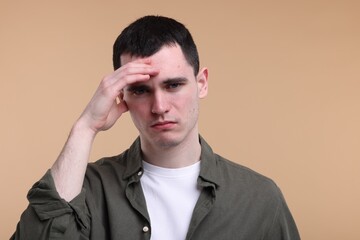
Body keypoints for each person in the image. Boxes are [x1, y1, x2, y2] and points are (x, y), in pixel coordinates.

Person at [11, 15, 300, 240]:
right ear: (121, 95)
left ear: (201, 83)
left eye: (173, 85)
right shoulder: (87, 190)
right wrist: (85, 127)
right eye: (140, 90)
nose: (159, 106)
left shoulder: (259, 197)